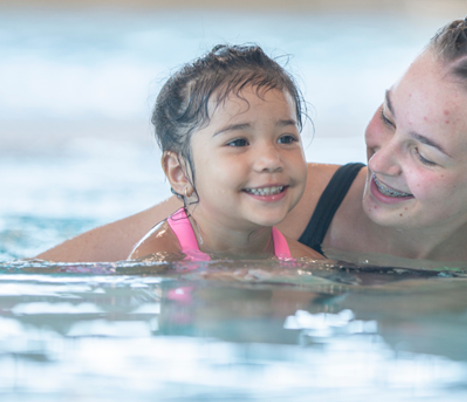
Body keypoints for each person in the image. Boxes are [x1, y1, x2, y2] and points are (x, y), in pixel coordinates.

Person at [38, 12, 467, 273]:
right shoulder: (270, 201)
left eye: (424, 153)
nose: (380, 161)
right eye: (388, 118)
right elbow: (48, 278)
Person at [127, 44, 322, 262]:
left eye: (285, 138)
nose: (271, 161)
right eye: (239, 142)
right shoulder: (157, 261)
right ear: (180, 173)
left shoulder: (307, 264)